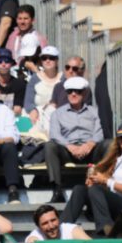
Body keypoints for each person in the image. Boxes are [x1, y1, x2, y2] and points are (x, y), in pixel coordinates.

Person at [45, 76, 104, 204]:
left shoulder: (94, 112)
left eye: (78, 91)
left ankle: (106, 183)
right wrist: (69, 146)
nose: (73, 94)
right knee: (50, 146)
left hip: (90, 148)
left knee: (109, 144)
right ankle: (57, 189)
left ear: (85, 93)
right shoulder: (57, 113)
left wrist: (90, 143)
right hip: (68, 150)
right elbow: (55, 134)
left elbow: (100, 131)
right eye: (70, 91)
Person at [81, 123, 122, 236]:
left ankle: (105, 228)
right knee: (79, 190)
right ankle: (63, 225)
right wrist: (95, 180)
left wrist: (105, 181)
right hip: (117, 206)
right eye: (121, 137)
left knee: (96, 190)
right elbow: (111, 188)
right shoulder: (116, 158)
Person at [25, 205, 90, 243]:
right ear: (38, 227)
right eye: (45, 223)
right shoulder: (35, 235)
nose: (51, 226)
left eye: (53, 220)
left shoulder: (69, 229)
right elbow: (32, 242)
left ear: (59, 219)